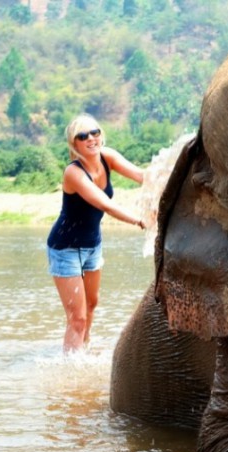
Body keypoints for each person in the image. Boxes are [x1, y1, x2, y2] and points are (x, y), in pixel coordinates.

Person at [47, 113, 146, 353]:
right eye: (83, 136)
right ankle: (71, 368)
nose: (91, 138)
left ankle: (83, 350)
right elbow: (105, 204)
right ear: (75, 143)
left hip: (93, 245)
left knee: (91, 304)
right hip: (65, 248)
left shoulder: (107, 157)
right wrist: (139, 220)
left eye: (95, 132)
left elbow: (143, 176)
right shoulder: (73, 172)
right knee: (77, 317)